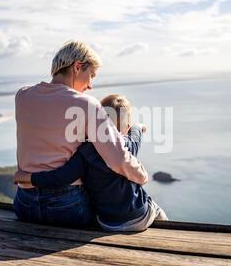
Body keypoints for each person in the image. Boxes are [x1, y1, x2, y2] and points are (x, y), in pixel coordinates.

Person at [14, 41, 148, 228]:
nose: (91, 85)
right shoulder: (86, 105)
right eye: (91, 75)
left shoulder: (22, 95)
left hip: (24, 204)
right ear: (77, 67)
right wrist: (142, 177)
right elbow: (118, 159)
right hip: (66, 207)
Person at [15, 94, 168, 232]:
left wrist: (30, 178)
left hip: (107, 223)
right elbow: (135, 136)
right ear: (125, 128)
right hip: (138, 216)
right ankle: (170, 232)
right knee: (155, 209)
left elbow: (59, 178)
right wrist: (139, 126)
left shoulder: (83, 153)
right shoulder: (126, 146)